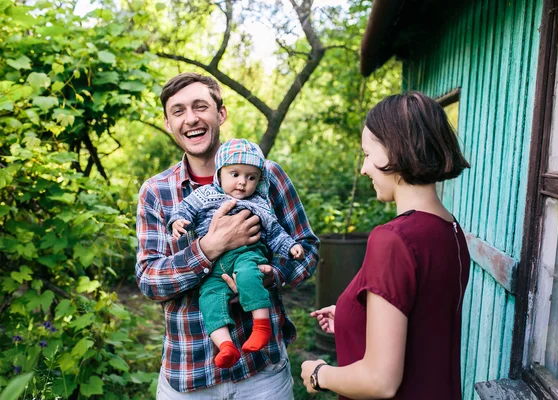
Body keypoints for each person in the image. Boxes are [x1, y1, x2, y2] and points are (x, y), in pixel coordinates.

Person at [135, 72, 319, 399]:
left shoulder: (266, 175)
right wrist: (209, 247)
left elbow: (306, 249)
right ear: (167, 123)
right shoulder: (157, 192)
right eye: (178, 111)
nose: (190, 118)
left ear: (221, 113)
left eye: (200, 106)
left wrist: (271, 275)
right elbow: (150, 282)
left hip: (261, 374)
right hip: (189, 375)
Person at [301, 91, 471, 399]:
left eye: (366, 154)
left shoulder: (394, 239)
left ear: (391, 151)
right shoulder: (451, 231)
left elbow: (380, 381)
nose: (364, 168)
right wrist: (353, 319)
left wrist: (318, 373)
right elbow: (423, 324)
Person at [167, 138, 304, 369]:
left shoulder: (258, 203)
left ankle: (261, 326)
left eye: (251, 177)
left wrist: (290, 247)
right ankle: (226, 345)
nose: (242, 183)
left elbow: (274, 231)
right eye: (235, 174)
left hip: (247, 253)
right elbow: (184, 209)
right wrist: (178, 222)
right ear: (219, 173)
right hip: (213, 266)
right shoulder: (204, 195)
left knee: (249, 275)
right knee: (209, 297)